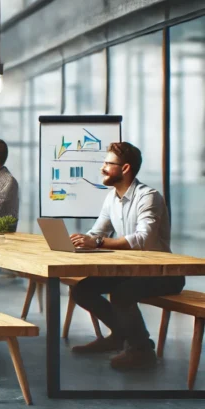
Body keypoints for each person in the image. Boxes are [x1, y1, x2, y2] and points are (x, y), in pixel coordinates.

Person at [68, 142, 182, 369]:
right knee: (82, 290)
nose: (102, 168)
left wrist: (97, 242)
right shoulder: (111, 198)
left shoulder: (148, 196)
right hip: (132, 271)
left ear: (126, 168)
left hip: (164, 273)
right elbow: (96, 232)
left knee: (121, 293)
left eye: (108, 164)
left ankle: (142, 349)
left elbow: (143, 239)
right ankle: (120, 335)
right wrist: (79, 242)